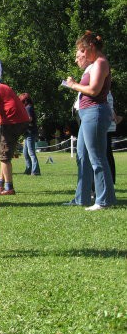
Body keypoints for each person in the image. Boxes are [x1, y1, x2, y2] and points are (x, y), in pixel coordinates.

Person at [63, 31, 115, 210]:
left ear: (91, 47)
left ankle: (103, 200)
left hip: (95, 112)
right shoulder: (94, 64)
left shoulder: (101, 62)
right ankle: (82, 198)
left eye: (82, 51)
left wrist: (73, 85)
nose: (81, 55)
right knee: (83, 157)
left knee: (97, 158)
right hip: (87, 114)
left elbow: (93, 90)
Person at [0, 84, 30, 195]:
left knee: (4, 156)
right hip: (20, 119)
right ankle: (0, 183)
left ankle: (9, 187)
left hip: (11, 120)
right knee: (4, 154)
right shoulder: (0, 86)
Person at [19, 93, 41, 176]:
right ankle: (28, 169)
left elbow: (29, 119)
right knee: (25, 153)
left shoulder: (28, 108)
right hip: (27, 132)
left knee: (31, 152)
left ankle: (36, 171)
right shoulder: (28, 107)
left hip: (30, 132)